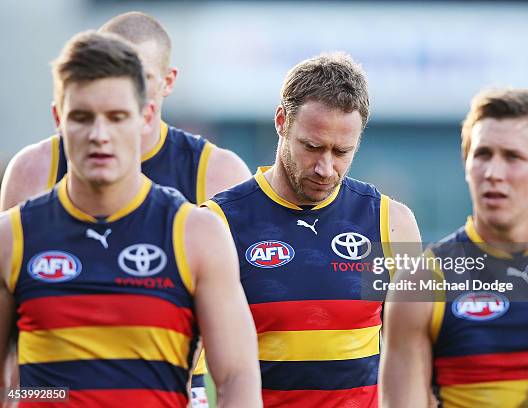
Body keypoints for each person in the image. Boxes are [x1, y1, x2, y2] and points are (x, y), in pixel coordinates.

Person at [0, 12, 252, 405]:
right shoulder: (21, 204)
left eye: (117, 116)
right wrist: (50, 395)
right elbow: (14, 367)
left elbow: (240, 362)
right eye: (83, 117)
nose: (100, 134)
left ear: (152, 103)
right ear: (59, 118)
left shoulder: (210, 196)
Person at [203, 52, 421, 407]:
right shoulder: (218, 224)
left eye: (342, 151)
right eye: (312, 146)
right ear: (281, 121)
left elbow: (417, 352)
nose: (325, 168)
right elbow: (187, 360)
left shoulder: (393, 222)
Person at [380, 88, 528, 407]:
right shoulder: (420, 284)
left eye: (513, 157)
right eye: (482, 155)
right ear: (466, 164)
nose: (493, 173)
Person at [0, 11, 251, 211]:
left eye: (141, 78)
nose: (127, 89)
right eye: (111, 76)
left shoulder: (218, 172)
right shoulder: (33, 168)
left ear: (169, 81)